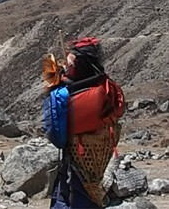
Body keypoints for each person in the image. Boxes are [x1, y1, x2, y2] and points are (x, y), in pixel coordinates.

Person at [45, 37, 125, 209]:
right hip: (103, 158)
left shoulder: (65, 95)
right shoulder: (108, 87)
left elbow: (56, 137)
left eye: (71, 64)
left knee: (72, 199)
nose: (68, 68)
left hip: (76, 161)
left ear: (78, 64)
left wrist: (52, 91)